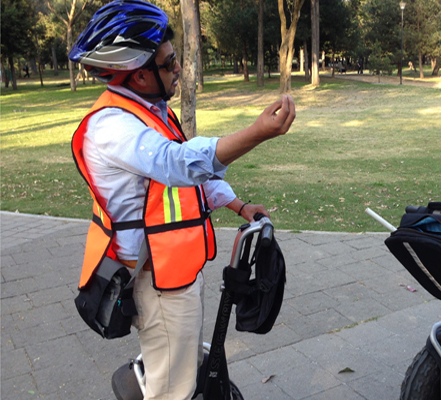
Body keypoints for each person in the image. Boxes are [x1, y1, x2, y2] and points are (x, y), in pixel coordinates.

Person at [68, 1, 295, 399]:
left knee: (179, 366)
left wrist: (238, 205)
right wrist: (257, 132)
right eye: (170, 62)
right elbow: (178, 165)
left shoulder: (148, 111)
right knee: (173, 389)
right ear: (139, 75)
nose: (178, 69)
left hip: (172, 270)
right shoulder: (113, 126)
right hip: (155, 281)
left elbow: (184, 182)